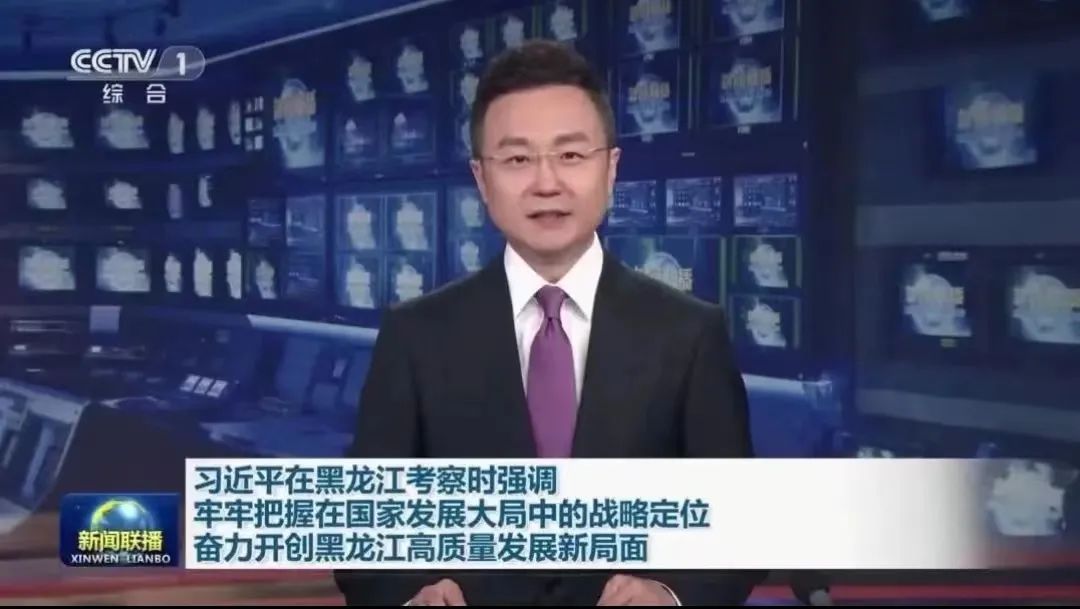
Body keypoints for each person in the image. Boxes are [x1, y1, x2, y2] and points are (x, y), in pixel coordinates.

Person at [334, 39, 761, 606]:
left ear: (610, 169)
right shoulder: (415, 336)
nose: (546, 183)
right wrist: (414, 593)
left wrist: (667, 593)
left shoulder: (689, 334)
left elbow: (736, 532)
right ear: (481, 180)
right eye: (517, 160)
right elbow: (361, 539)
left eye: (571, 155)